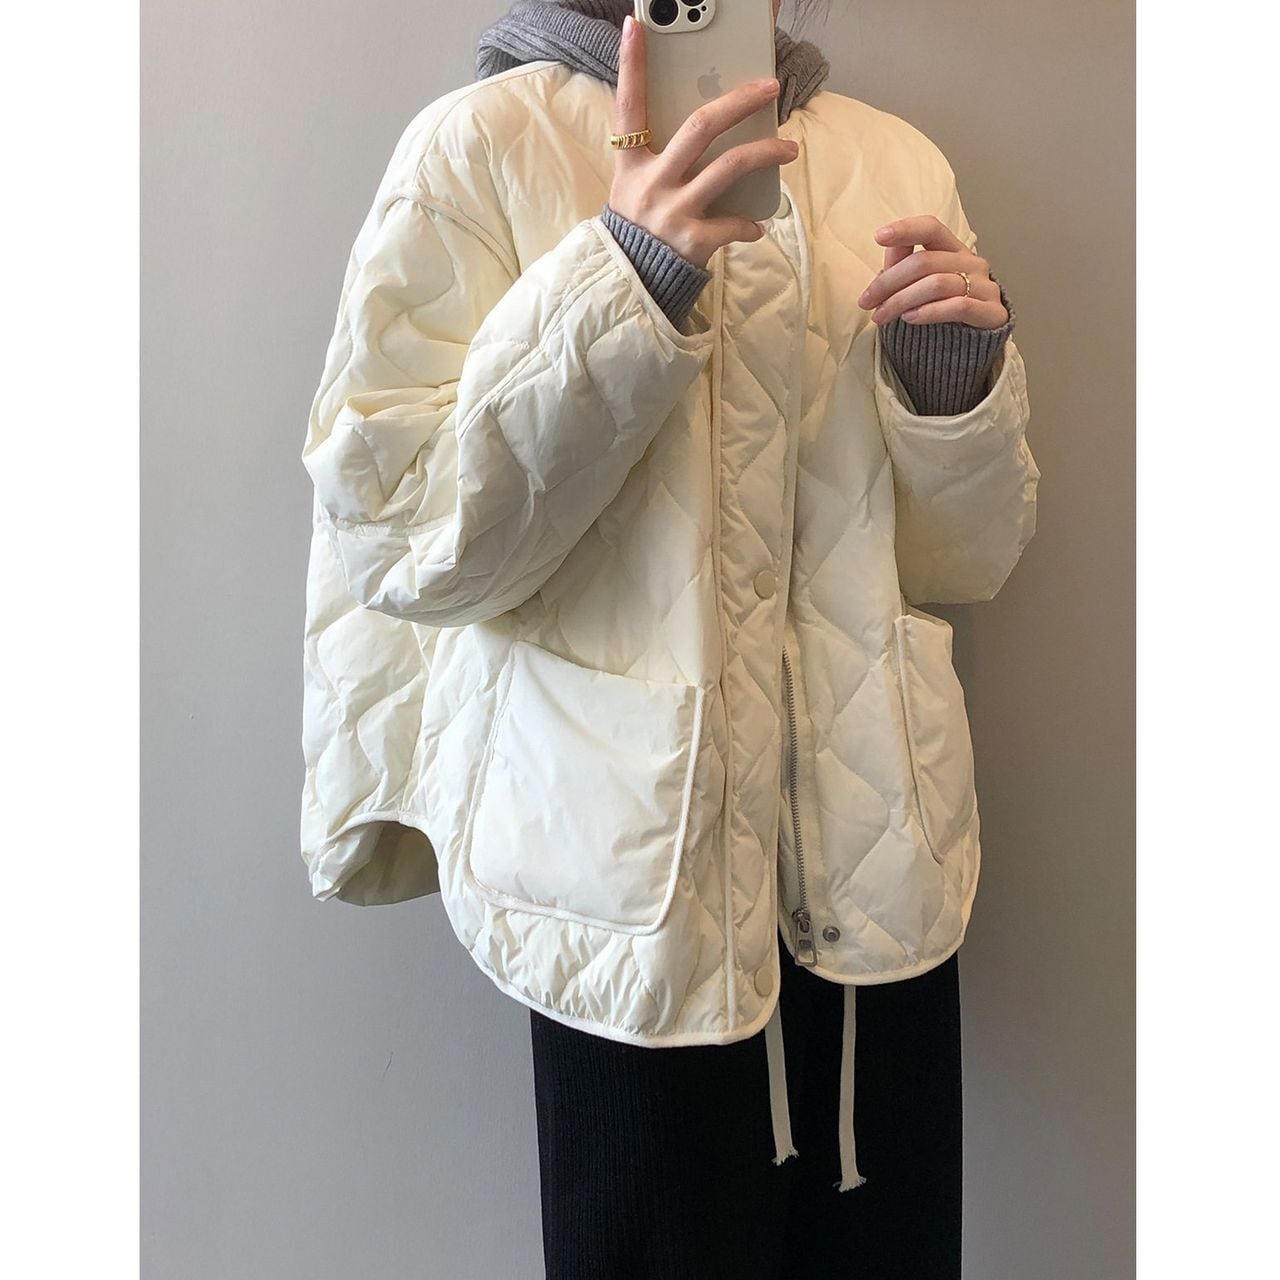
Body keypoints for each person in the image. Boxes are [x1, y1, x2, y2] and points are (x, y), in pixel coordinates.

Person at [298, 1, 1040, 1276]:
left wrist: (949, 385)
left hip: (869, 861)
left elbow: (963, 561)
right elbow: (402, 531)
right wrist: (625, 274)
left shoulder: (893, 160)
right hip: (625, 884)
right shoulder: (482, 146)